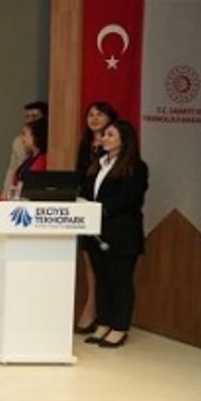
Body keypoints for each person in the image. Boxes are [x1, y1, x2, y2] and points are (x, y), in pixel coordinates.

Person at [81, 120, 148, 349]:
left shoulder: (136, 167)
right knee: (102, 280)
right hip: (96, 232)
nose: (104, 138)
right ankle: (104, 323)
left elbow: (128, 198)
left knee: (120, 280)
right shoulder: (98, 164)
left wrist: (99, 209)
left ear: (124, 140)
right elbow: (87, 192)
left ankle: (119, 327)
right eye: (104, 135)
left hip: (122, 234)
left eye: (110, 135)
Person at [73, 101, 118, 333]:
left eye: (100, 114)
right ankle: (92, 309)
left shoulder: (116, 148)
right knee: (89, 263)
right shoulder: (85, 145)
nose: (94, 118)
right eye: (90, 114)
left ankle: (99, 314)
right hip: (85, 209)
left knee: (106, 268)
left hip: (107, 214)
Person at [2, 100, 47, 194]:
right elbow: (12, 169)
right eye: (27, 116)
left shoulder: (44, 156)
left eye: (34, 116)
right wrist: (5, 194)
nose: (30, 120)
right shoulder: (18, 142)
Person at [10, 117, 48, 188]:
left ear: (35, 136)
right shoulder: (30, 157)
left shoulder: (42, 160)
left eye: (24, 134)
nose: (22, 138)